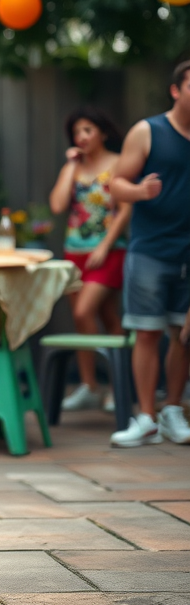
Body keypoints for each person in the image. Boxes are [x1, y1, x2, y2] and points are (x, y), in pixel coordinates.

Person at [109, 60, 190, 447]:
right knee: (147, 331)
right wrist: (140, 192)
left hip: (188, 253)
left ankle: (173, 410)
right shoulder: (148, 131)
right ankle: (146, 418)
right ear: (176, 91)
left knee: (185, 335)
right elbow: (115, 184)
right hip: (150, 249)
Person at [48, 106, 131, 412]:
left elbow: (125, 210)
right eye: (76, 133)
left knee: (84, 312)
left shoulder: (118, 163)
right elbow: (57, 205)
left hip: (108, 252)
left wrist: (104, 247)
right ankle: (92, 386)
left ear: (103, 133)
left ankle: (115, 387)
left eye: (87, 130)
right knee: (104, 318)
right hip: (75, 252)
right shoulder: (72, 167)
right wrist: (70, 166)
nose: (81, 137)